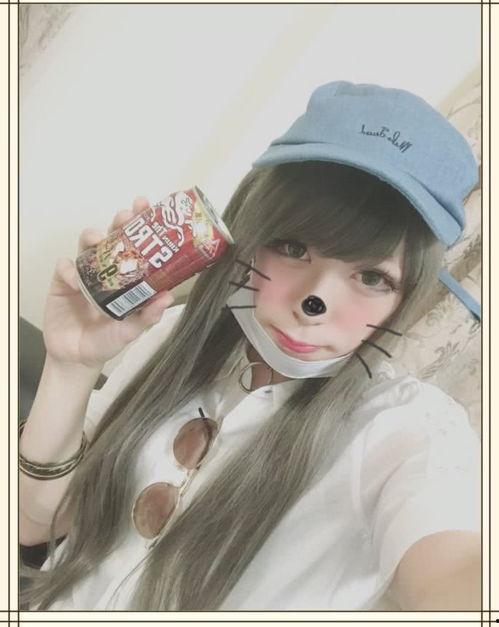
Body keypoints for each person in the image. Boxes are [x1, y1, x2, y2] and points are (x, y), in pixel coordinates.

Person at [20, 81, 481, 611]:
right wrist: (71, 366)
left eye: (372, 277)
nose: (316, 301)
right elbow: (34, 522)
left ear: (406, 296)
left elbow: (453, 575)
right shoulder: (177, 334)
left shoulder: (406, 431)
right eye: (293, 247)